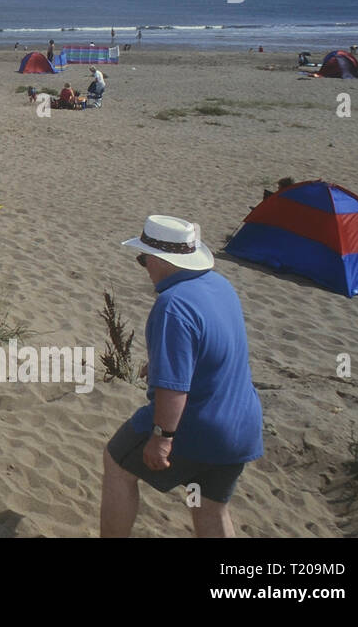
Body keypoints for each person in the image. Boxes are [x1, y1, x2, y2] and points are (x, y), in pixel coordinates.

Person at [101, 216, 263, 537]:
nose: (144, 265)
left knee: (117, 464)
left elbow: (174, 391)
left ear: (161, 260)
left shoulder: (172, 305)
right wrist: (161, 364)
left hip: (198, 425)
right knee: (208, 505)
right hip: (242, 426)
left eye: (143, 258)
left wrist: (162, 438)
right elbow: (211, 350)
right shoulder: (219, 285)